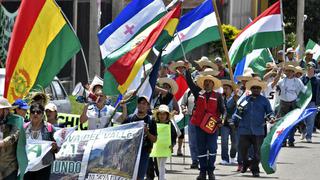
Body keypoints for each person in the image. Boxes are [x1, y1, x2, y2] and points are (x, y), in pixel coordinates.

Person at [183, 62, 225, 180]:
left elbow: (223, 110)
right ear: (203, 84)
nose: (207, 84)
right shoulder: (198, 92)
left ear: (213, 84)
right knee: (200, 148)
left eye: (209, 82)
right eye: (205, 82)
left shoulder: (218, 96)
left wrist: (221, 120)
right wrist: (187, 70)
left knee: (212, 148)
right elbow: (190, 83)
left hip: (212, 126)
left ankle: (210, 171)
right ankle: (202, 172)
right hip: (199, 126)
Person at [233, 78, 275, 177]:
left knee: (258, 153)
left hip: (258, 130)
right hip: (244, 130)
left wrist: (271, 117)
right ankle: (246, 163)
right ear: (251, 89)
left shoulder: (264, 101)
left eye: (258, 88)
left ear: (260, 89)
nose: (256, 89)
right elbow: (237, 113)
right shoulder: (245, 100)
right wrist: (234, 120)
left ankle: (255, 169)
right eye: (254, 88)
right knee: (242, 150)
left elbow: (270, 112)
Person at [122, 96, 157, 180]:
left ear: (148, 106)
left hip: (144, 152)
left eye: (144, 103)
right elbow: (121, 132)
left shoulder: (151, 120)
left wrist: (147, 132)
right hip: (130, 152)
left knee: (139, 177)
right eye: (140, 103)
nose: (141, 105)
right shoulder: (130, 118)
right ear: (137, 105)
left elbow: (154, 139)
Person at [24, 103, 58, 180]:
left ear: (43, 114)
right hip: (27, 166)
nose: (35, 114)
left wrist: (54, 147)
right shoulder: (24, 127)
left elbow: (57, 146)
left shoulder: (49, 128)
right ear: (30, 114)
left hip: (43, 165)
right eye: (33, 112)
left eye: (38, 112)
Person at [275, 64, 307, 147]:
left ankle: (291, 140)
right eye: (287, 71)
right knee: (283, 123)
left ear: (293, 72)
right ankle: (283, 141)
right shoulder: (281, 81)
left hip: (293, 103)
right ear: (285, 72)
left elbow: (304, 91)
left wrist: (301, 102)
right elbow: (275, 87)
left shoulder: (298, 81)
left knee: (292, 123)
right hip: (283, 103)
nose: (289, 72)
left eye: (291, 71)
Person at [153, 105, 177, 180]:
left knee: (162, 164)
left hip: (166, 147)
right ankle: (161, 177)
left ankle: (161, 178)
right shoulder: (155, 123)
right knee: (158, 164)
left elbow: (174, 135)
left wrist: (172, 145)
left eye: (164, 114)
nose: (162, 116)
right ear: (157, 114)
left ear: (167, 115)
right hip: (157, 147)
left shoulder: (170, 124)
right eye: (160, 113)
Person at [0, 98, 20, 180]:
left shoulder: (15, 122)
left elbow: (14, 136)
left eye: (0, 110)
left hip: (10, 167)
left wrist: (2, 142)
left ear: (6, 111)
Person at [301, 62, 320, 143]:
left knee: (311, 120)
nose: (309, 68)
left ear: (314, 68)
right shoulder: (302, 79)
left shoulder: (318, 80)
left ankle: (309, 136)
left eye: (311, 66)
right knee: (302, 119)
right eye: (308, 66)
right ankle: (303, 130)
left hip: (313, 102)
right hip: (303, 102)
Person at [220, 80, 238, 165]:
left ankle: (232, 156)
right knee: (224, 141)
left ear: (231, 89)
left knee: (235, 142)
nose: (225, 90)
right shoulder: (221, 98)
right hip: (225, 123)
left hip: (234, 123)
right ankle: (224, 158)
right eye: (224, 88)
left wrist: (235, 98)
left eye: (226, 88)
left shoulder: (236, 97)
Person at [181, 89, 198, 169]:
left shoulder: (205, 92)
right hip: (191, 118)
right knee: (192, 141)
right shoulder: (188, 92)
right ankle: (194, 160)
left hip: (203, 119)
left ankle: (202, 160)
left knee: (202, 141)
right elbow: (183, 103)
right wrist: (184, 108)